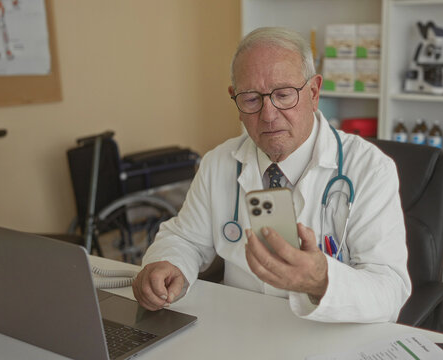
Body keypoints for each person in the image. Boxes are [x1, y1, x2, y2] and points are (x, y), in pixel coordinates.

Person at [133, 27, 411, 323]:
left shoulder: (369, 169)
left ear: (314, 93)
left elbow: (390, 289)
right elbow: (185, 239)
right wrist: (166, 264)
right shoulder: (219, 162)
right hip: (242, 329)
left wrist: (322, 281)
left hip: (329, 334)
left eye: (283, 95)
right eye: (252, 99)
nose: (268, 114)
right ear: (236, 102)